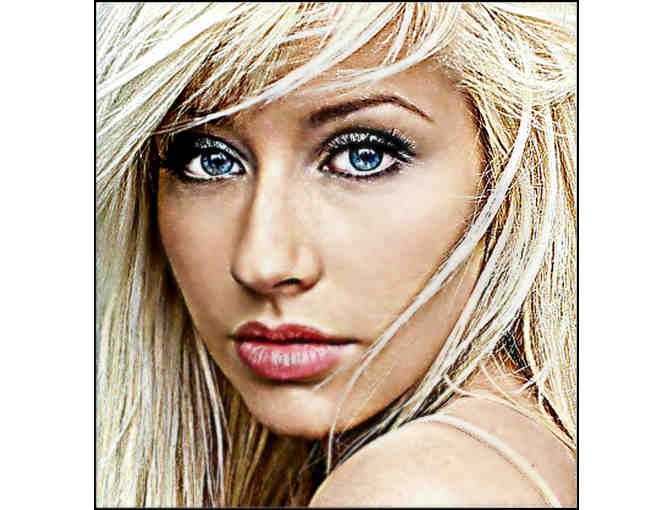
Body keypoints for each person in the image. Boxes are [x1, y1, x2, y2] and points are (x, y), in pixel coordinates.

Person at [96, 2, 577, 506]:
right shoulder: (525, 451)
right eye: (211, 160)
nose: (262, 264)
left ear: (506, 167)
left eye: (363, 156)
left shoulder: (411, 492)